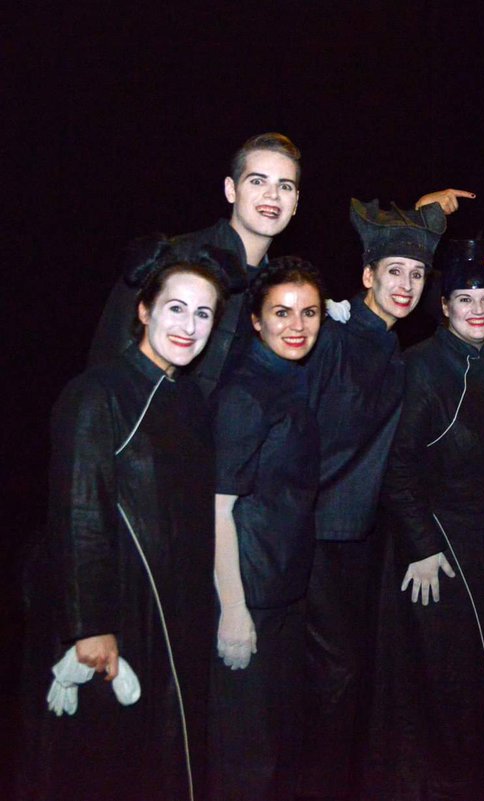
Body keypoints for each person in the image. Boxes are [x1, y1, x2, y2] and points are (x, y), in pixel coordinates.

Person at [23, 248, 227, 801]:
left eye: (203, 314)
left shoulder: (187, 398)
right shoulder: (98, 393)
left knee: (171, 756)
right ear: (144, 310)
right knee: (111, 763)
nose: (188, 327)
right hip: (121, 611)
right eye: (176, 308)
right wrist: (90, 625)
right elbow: (78, 511)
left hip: (177, 613)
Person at [377, 242, 484, 798]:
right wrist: (421, 546)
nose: (478, 308)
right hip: (441, 555)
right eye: (464, 298)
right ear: (443, 306)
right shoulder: (420, 366)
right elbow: (397, 470)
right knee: (451, 691)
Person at [298, 198, 445, 800]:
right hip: (313, 536)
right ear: (367, 276)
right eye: (394, 272)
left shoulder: (384, 341)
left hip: (356, 537)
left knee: (348, 682)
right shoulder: (333, 334)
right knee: (330, 682)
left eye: (416, 274)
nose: (406, 285)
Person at [208, 258, 325, 801]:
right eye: (281, 313)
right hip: (248, 597)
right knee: (245, 763)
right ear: (255, 320)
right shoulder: (245, 394)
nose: (297, 325)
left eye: (309, 312)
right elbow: (218, 508)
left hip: (283, 593)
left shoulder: (290, 375)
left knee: (278, 752)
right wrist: (234, 611)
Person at [89, 133, 301, 397]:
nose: (272, 195)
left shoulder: (279, 289)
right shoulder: (177, 257)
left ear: (295, 203)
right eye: (257, 181)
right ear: (231, 190)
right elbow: (111, 351)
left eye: (285, 186)